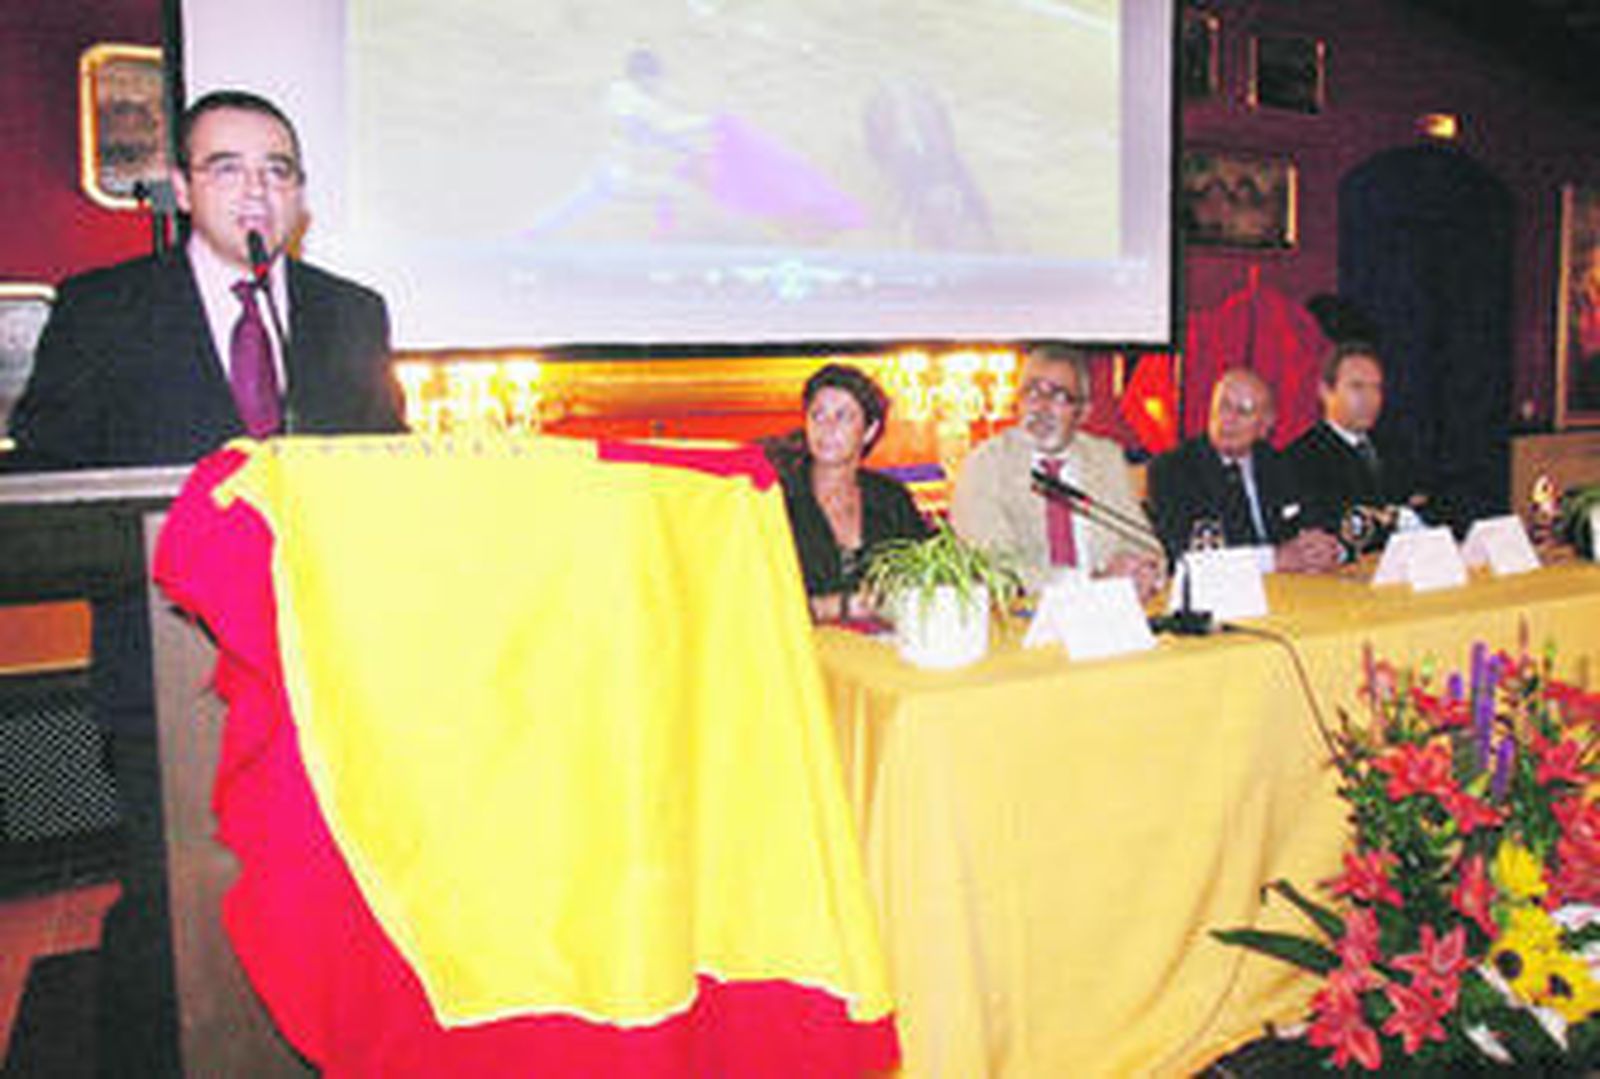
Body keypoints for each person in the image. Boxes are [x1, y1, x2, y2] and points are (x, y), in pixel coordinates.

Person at [10, 89, 404, 1078]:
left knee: (319, 891)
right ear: (184, 189)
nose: (255, 190)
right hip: (164, 668)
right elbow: (46, 473)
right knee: (171, 898)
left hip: (320, 668)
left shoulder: (350, 314)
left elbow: (388, 474)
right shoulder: (104, 308)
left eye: (278, 169)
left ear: (301, 193)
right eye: (227, 168)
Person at [951, 344, 1164, 601]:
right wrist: (1092, 584)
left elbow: (1145, 545)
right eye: (1032, 393)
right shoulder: (985, 465)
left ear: (1083, 412)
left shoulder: (1105, 458)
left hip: (1111, 611)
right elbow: (996, 568)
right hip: (1027, 617)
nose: (1042, 408)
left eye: (1059, 396)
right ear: (1017, 403)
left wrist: (1140, 569)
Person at [1147, 368, 1342, 572]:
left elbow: (1312, 520)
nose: (1228, 419)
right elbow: (1189, 556)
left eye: (1243, 411)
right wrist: (1274, 559)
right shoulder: (1173, 469)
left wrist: (1322, 548)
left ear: (1266, 425)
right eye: (1223, 406)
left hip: (1286, 584)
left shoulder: (1277, 463)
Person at [776, 363, 930, 622]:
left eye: (843, 416)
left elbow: (925, 578)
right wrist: (838, 606)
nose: (827, 428)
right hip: (802, 643)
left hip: (884, 641)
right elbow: (758, 599)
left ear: (869, 431)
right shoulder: (778, 497)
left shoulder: (891, 498)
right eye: (817, 415)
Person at [1285, 340, 1434, 554]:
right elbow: (1332, 529)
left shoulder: (1395, 447)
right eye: (1357, 387)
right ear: (1326, 391)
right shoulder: (1302, 457)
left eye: (1376, 388)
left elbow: (1426, 502)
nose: (1370, 398)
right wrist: (1397, 519)